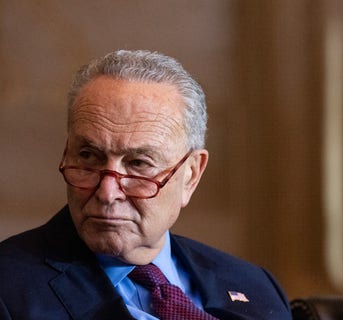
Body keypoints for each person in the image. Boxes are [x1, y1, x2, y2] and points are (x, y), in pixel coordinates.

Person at [0, 50, 292, 320]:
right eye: (88, 157)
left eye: (138, 164)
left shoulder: (255, 286)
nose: (107, 192)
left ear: (191, 174)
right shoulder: (9, 289)